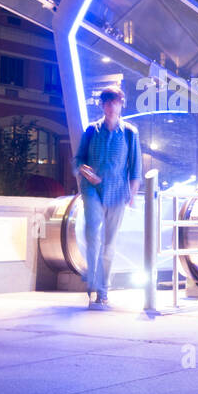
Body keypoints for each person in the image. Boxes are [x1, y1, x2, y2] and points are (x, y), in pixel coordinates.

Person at [74, 87, 141, 309]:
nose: (110, 106)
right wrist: (84, 170)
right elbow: (78, 160)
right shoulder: (91, 130)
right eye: (106, 102)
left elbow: (136, 169)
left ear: (121, 104)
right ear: (101, 105)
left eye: (114, 102)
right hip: (92, 189)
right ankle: (92, 283)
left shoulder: (130, 133)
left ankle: (102, 289)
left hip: (117, 192)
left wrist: (131, 195)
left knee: (110, 243)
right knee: (93, 234)